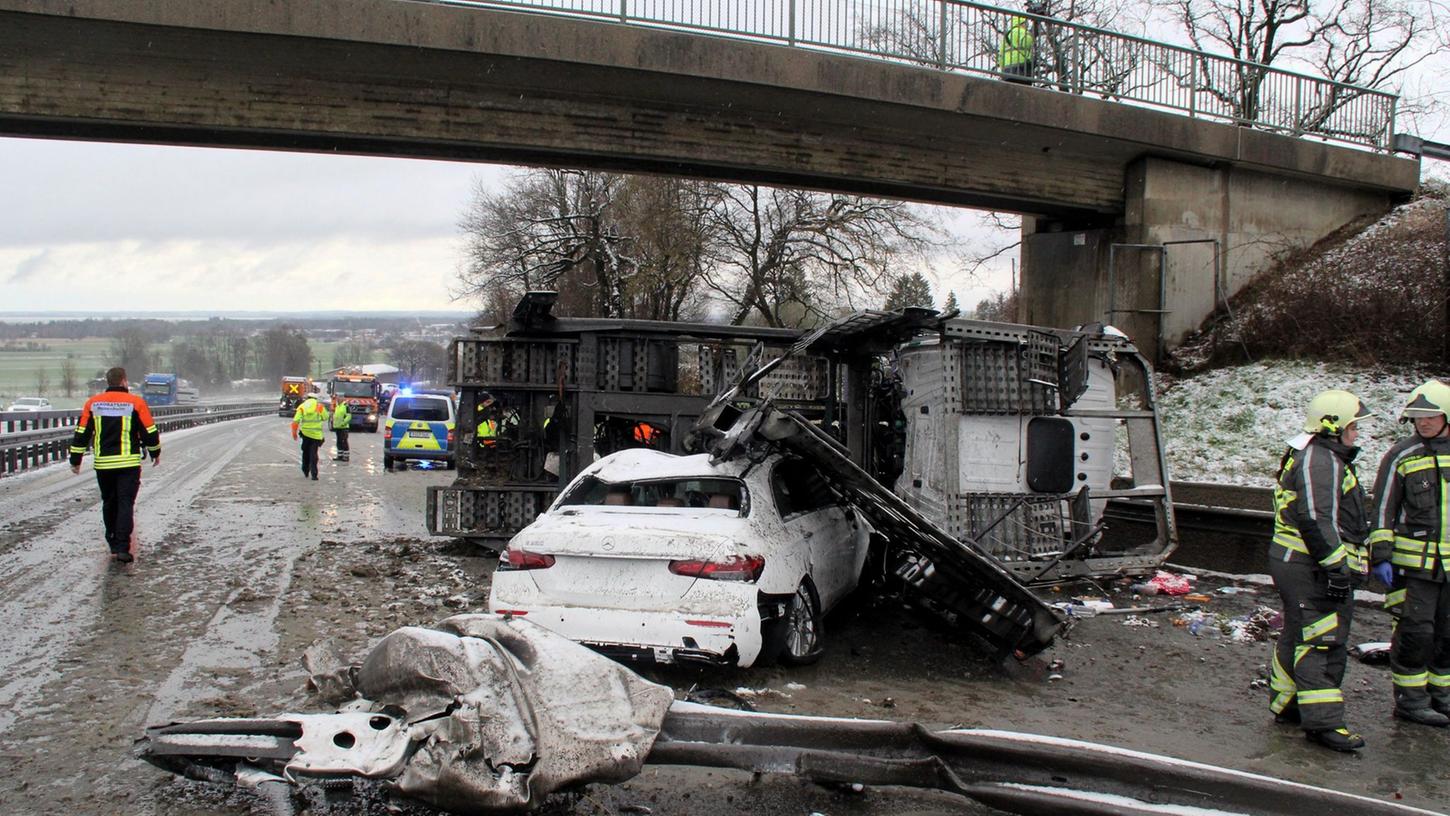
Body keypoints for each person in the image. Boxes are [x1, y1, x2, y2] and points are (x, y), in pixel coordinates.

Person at [1266, 389, 1372, 751]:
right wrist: (1337, 568)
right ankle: (1324, 724)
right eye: (1354, 426)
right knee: (1321, 641)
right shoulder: (1320, 460)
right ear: (1334, 425)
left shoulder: (1316, 455)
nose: (1356, 433)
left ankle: (1288, 703)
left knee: (1301, 633)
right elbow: (1315, 518)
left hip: (1301, 563)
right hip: (1309, 566)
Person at [1367, 379, 1450, 728]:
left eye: (1430, 416)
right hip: (1412, 567)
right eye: (1417, 417)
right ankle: (1411, 701)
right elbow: (1383, 509)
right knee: (1416, 633)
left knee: (1446, 635)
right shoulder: (1401, 455)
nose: (1423, 423)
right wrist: (1381, 556)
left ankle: (1442, 697)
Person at [69, 366, 160, 563]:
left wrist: (75, 460)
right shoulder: (136, 403)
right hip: (128, 464)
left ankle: (111, 540)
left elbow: (82, 433)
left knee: (109, 502)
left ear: (108, 382)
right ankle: (122, 547)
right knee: (125, 502)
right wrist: (155, 452)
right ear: (124, 381)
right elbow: (149, 431)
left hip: (104, 465)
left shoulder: (92, 404)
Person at [998, 1, 1042, 85]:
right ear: (1021, 23)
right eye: (1025, 24)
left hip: (1007, 70)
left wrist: (1002, 69)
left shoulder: (1007, 35)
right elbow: (1027, 43)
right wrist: (1031, 34)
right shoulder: (1021, 31)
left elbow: (1000, 55)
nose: (1026, 26)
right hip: (1021, 67)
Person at [291, 392, 327, 480]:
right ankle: (314, 474)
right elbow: (325, 417)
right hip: (316, 435)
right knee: (313, 454)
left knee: (305, 452)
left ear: (307, 398)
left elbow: (295, 421)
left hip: (305, 434)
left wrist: (294, 433)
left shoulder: (302, 407)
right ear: (315, 399)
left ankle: (305, 469)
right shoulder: (319, 406)